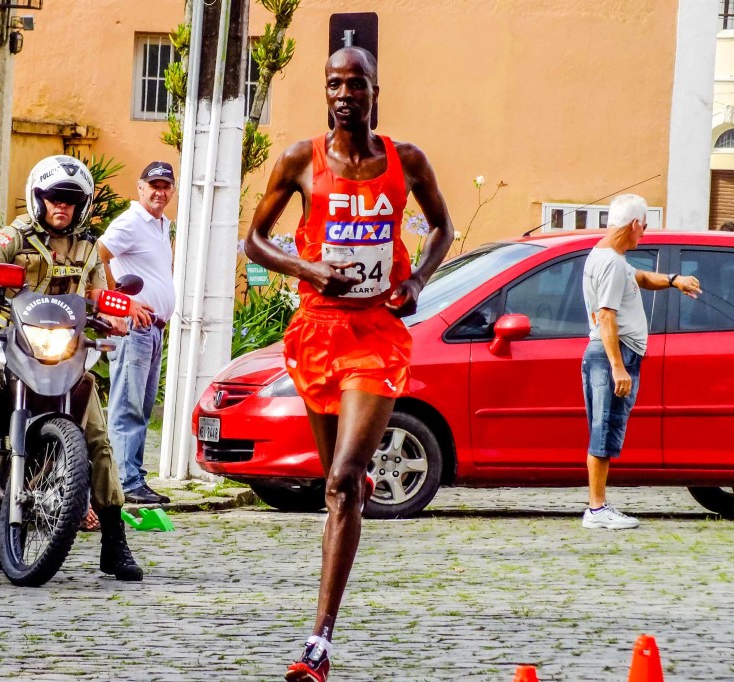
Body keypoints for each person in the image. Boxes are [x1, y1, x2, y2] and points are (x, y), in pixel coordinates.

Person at [244, 47, 454, 682]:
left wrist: (418, 278)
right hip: (316, 332)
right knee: (334, 480)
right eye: (333, 84)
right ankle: (349, 489)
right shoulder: (300, 160)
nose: (343, 94)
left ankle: (318, 642)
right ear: (325, 93)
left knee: (340, 481)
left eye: (354, 84)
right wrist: (308, 268)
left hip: (376, 335)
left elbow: (441, 228)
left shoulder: (405, 160)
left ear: (373, 92)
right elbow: (254, 238)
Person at [0, 155, 148, 581]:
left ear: (83, 205)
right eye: (54, 198)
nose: (62, 207)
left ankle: (115, 540)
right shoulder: (15, 235)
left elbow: (101, 295)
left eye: (71, 201)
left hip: (65, 350)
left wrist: (114, 315)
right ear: (38, 198)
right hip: (9, 341)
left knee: (97, 435)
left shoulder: (89, 248)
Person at [580, 194, 700, 530]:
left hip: (607, 354)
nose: (644, 234)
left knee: (603, 428)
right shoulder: (612, 264)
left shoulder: (607, 257)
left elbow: (642, 279)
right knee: (604, 429)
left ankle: (598, 506)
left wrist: (675, 280)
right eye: (644, 227)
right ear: (634, 224)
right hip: (611, 355)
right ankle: (597, 509)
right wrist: (618, 366)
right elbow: (606, 317)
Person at [97, 161, 176, 504]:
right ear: (140, 187)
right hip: (133, 328)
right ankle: (125, 483)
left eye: (165, 186)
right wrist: (119, 304)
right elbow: (96, 256)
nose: (160, 191)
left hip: (153, 328)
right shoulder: (130, 223)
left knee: (141, 408)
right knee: (127, 407)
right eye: (153, 185)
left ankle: (134, 477)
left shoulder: (159, 225)